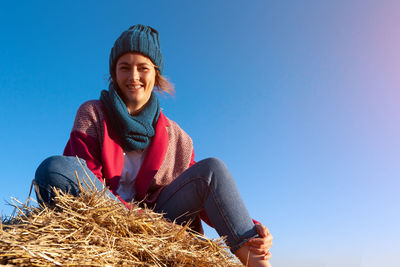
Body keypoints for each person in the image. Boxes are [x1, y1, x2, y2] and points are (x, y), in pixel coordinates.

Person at [34, 25, 273, 267]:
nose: (134, 77)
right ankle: (140, 225)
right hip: (108, 216)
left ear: (156, 75)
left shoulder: (179, 137)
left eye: (143, 68)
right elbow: (83, 176)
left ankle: (255, 259)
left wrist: (251, 227)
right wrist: (137, 219)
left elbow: (203, 196)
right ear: (114, 74)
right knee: (53, 169)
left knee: (212, 168)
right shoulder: (93, 113)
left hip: (163, 220)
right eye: (124, 67)